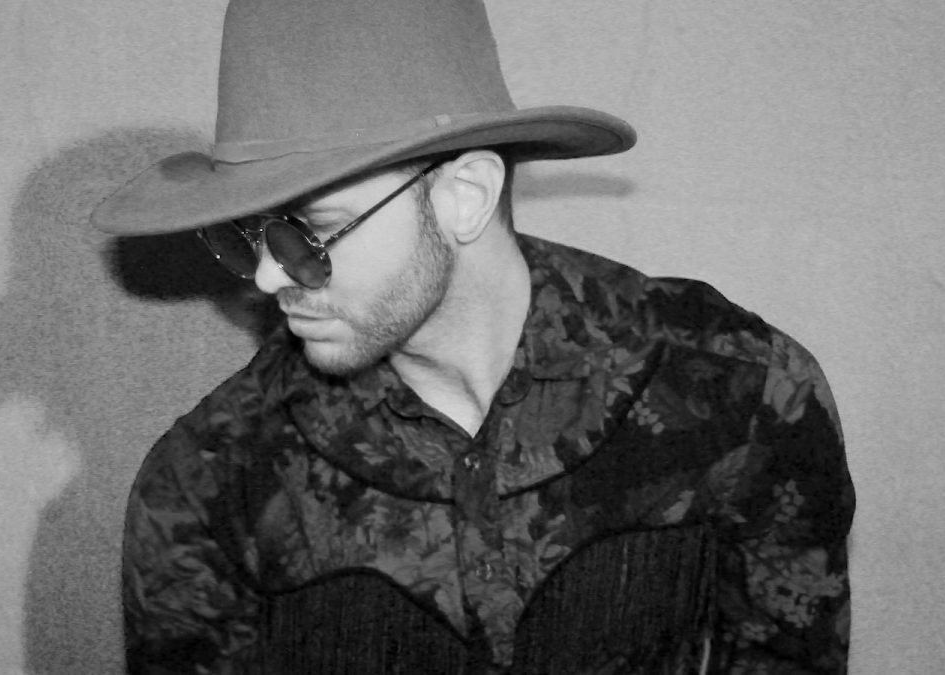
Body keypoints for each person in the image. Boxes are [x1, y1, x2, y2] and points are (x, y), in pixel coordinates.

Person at [91, 0, 855, 673]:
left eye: (309, 234)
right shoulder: (207, 484)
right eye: (249, 236)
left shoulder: (742, 393)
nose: (265, 278)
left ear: (467, 196)